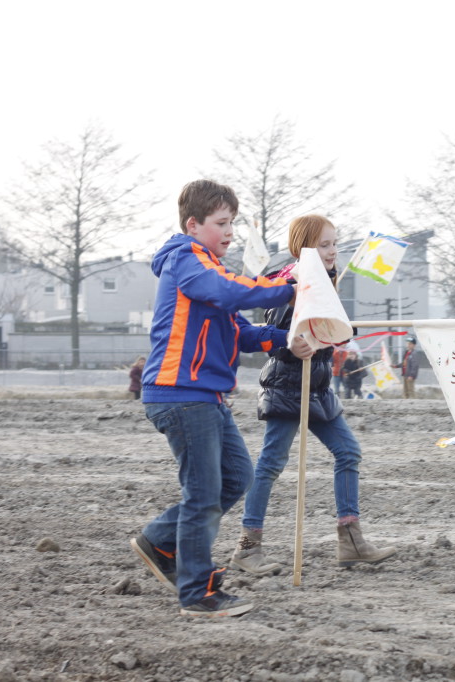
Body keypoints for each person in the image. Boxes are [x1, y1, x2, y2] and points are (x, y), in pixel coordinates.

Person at [130, 179, 299, 619]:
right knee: (204, 495)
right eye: (221, 223)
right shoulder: (188, 259)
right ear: (193, 224)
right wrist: (288, 287)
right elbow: (232, 292)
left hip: (203, 396)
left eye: (233, 223)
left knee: (235, 477)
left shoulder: (209, 268)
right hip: (181, 395)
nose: (229, 232)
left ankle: (159, 541)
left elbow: (238, 329)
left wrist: (290, 339)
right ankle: (197, 594)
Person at [230, 214, 396, 577]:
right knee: (271, 465)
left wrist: (335, 332)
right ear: (304, 248)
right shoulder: (292, 281)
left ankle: (350, 541)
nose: (333, 251)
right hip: (289, 386)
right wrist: (298, 344)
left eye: (335, 243)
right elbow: (275, 339)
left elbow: (326, 333)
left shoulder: (329, 279)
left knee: (348, 451)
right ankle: (247, 546)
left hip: (319, 387)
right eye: (324, 245)